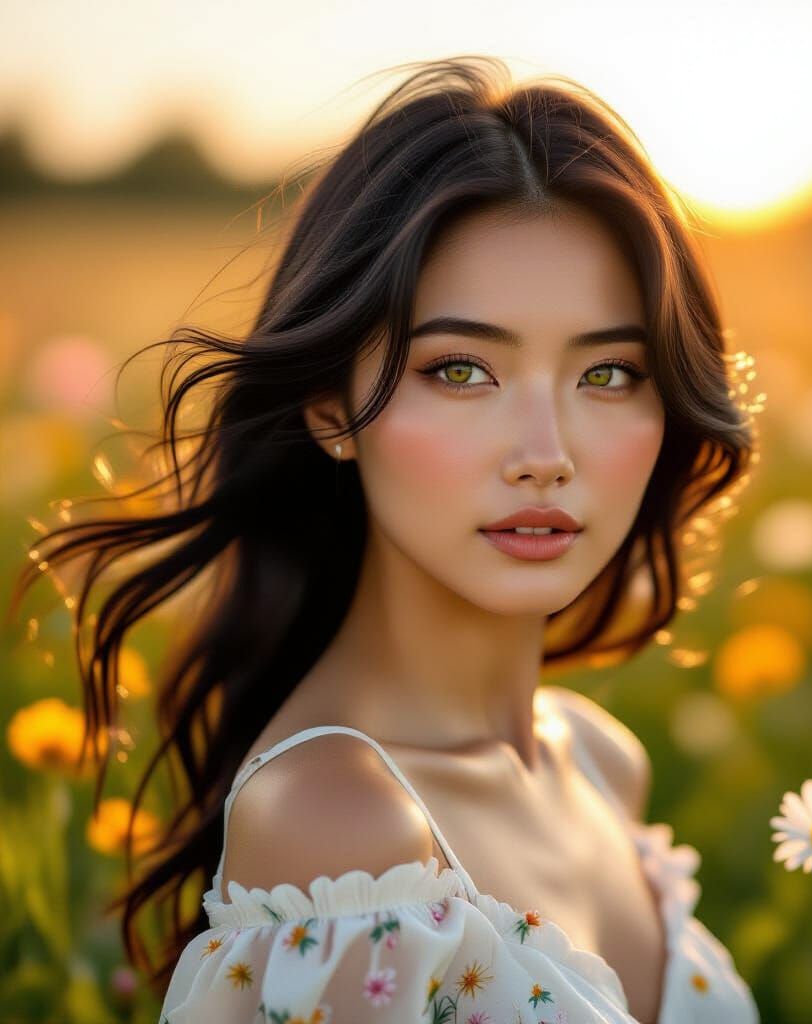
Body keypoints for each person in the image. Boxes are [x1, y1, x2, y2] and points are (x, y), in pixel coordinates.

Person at [13, 55, 759, 1022]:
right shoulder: (338, 825)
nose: (546, 454)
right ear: (330, 407)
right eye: (460, 370)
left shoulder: (600, 762)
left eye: (609, 374)